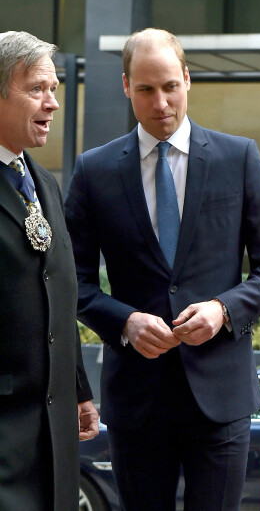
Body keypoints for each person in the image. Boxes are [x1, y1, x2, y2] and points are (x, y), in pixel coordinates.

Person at [64, 28, 260, 511]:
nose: (161, 102)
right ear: (126, 87)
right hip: (136, 397)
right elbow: (70, 282)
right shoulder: (94, 170)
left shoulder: (239, 157)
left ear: (187, 80)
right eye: (146, 89)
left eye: (170, 86)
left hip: (220, 395)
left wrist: (223, 310)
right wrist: (123, 320)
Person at [0, 31, 98, 510]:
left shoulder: (46, 183)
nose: (52, 103)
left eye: (55, 89)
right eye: (37, 89)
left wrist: (78, 388)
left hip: (53, 438)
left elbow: (61, 294)